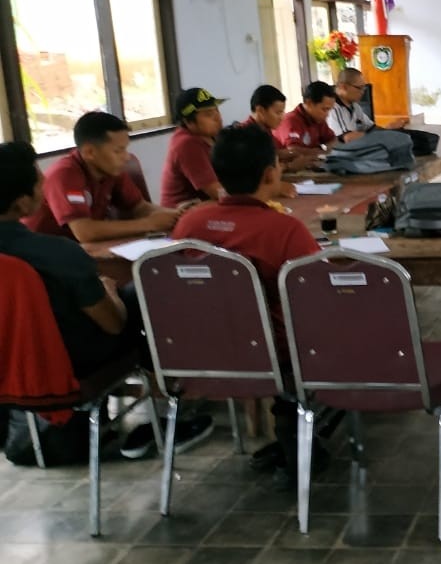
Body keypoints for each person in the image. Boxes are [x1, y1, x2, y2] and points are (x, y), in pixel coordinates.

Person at [1, 142, 213, 456]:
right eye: (38, 181)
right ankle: (169, 414)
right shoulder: (60, 254)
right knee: (143, 297)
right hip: (70, 361)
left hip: (11, 359)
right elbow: (113, 325)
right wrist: (110, 292)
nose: (45, 184)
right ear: (21, 203)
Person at [171, 125, 322, 483]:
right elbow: (314, 296)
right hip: (274, 357)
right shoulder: (285, 230)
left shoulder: (188, 224)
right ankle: (300, 436)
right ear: (271, 173)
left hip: (196, 355)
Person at [23, 111, 181, 242]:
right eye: (118, 151)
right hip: (46, 254)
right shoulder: (64, 175)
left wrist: (176, 215)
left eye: (125, 149)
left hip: (80, 247)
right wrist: (148, 224)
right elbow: (84, 232)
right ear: (89, 152)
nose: (126, 157)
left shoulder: (111, 170)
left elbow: (140, 207)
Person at [160, 87, 226, 208]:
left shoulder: (212, 136)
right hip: (180, 214)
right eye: (209, 114)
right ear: (188, 122)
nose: (218, 118)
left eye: (217, 110)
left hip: (205, 205)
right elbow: (216, 192)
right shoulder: (187, 144)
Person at [244, 84, 318, 173]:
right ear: (260, 110)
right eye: (278, 113)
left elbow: (267, 156)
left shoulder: (264, 129)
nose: (282, 117)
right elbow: (257, 172)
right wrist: (289, 167)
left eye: (282, 112)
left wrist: (282, 154)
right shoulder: (245, 135)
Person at [328, 66, 409, 140]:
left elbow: (371, 128)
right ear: (344, 87)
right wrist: (381, 134)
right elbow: (348, 138)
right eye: (359, 88)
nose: (363, 92)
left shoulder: (355, 106)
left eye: (364, 88)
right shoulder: (332, 108)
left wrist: (387, 129)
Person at [276, 80, 338, 151]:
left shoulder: (318, 119)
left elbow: (333, 140)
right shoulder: (291, 121)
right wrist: (321, 151)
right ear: (309, 103)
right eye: (324, 109)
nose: (327, 114)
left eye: (329, 110)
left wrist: (320, 150)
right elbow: (293, 150)